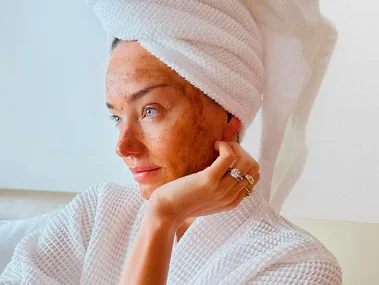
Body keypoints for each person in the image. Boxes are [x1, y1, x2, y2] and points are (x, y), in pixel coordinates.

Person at [0, 0, 342, 284]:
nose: (123, 146)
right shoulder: (96, 214)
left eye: (151, 110)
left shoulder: (297, 264)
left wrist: (161, 217)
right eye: (116, 117)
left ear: (228, 116)